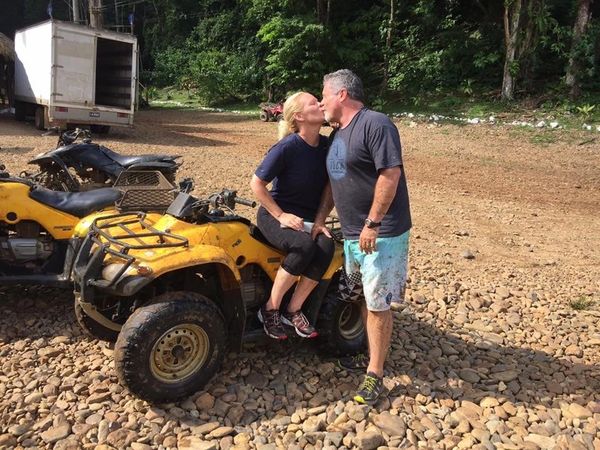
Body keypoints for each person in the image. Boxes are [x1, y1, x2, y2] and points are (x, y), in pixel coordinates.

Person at [312, 69, 412, 404]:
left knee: (377, 301)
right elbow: (332, 181)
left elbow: (390, 173)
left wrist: (373, 222)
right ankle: (369, 354)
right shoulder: (338, 134)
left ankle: (375, 374)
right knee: (359, 295)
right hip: (355, 234)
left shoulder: (376, 123)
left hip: (380, 234)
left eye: (324, 94)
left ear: (341, 94)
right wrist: (320, 219)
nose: (321, 101)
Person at [250, 92, 335, 340]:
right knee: (303, 245)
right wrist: (281, 215)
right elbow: (257, 184)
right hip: (275, 215)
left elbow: (330, 186)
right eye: (313, 103)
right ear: (299, 116)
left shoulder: (326, 147)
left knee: (327, 245)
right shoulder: (287, 147)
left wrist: (320, 221)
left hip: (308, 218)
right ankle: (270, 309)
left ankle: (293, 309)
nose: (319, 104)